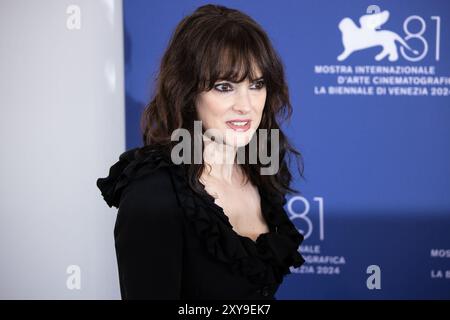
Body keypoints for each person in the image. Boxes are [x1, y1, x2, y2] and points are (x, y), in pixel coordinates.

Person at [96, 4, 305, 300]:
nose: (246, 106)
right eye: (224, 87)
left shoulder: (260, 171)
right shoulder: (154, 194)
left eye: (256, 84)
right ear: (187, 91)